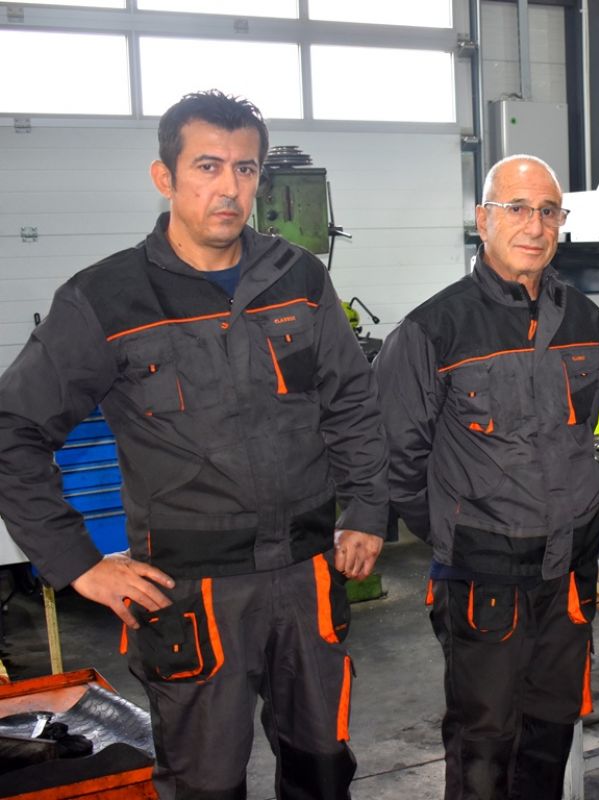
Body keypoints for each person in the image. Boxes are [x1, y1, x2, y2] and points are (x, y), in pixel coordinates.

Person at [0, 90, 389, 799]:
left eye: (246, 168)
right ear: (165, 176)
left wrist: (365, 507)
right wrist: (77, 563)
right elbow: (13, 430)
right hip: (191, 596)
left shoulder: (300, 278)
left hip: (307, 577)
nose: (229, 188)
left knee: (324, 770)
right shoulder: (107, 298)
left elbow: (352, 401)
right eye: (208, 166)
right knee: (206, 785)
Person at [374, 155, 599, 800]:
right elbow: (395, 458)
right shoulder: (432, 329)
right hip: (482, 571)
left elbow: (586, 430)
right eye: (517, 208)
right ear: (483, 220)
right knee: (484, 740)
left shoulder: (586, 321)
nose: (535, 225)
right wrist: (454, 530)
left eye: (548, 211)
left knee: (552, 729)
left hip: (567, 568)